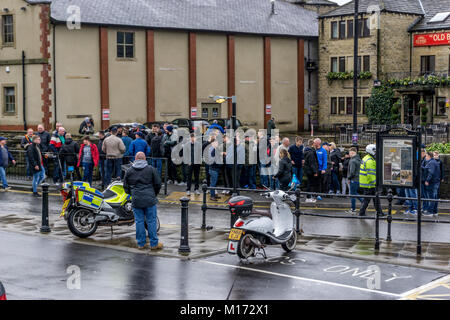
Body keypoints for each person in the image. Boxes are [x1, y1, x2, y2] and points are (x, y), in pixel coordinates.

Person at [123, 152, 162, 250]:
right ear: (145, 159)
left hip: (136, 199)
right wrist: (154, 194)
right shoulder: (151, 169)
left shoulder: (129, 171)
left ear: (135, 159)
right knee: (151, 221)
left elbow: (125, 187)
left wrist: (132, 194)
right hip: (150, 199)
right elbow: (158, 184)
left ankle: (141, 243)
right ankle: (154, 244)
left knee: (139, 221)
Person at [359, 144, 384, 217]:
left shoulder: (367, 158)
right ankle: (361, 213)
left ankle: (379, 212)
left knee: (375, 199)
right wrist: (376, 183)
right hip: (369, 184)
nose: (376, 152)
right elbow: (371, 174)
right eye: (374, 151)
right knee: (367, 199)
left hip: (367, 183)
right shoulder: (370, 161)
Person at [422, 151, 440, 217]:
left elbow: (431, 173)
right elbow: (426, 168)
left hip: (432, 182)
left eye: (426, 156)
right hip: (436, 182)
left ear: (429, 156)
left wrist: (427, 180)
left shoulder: (431, 163)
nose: (425, 157)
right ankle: (435, 211)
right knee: (434, 197)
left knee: (431, 197)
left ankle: (430, 211)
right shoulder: (433, 162)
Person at [346, 147, 363, 214]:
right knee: (354, 193)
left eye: (350, 153)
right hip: (358, 178)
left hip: (353, 179)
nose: (349, 154)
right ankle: (363, 202)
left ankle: (353, 209)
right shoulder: (359, 159)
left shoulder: (352, 161)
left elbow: (352, 172)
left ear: (353, 153)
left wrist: (349, 178)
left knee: (353, 194)